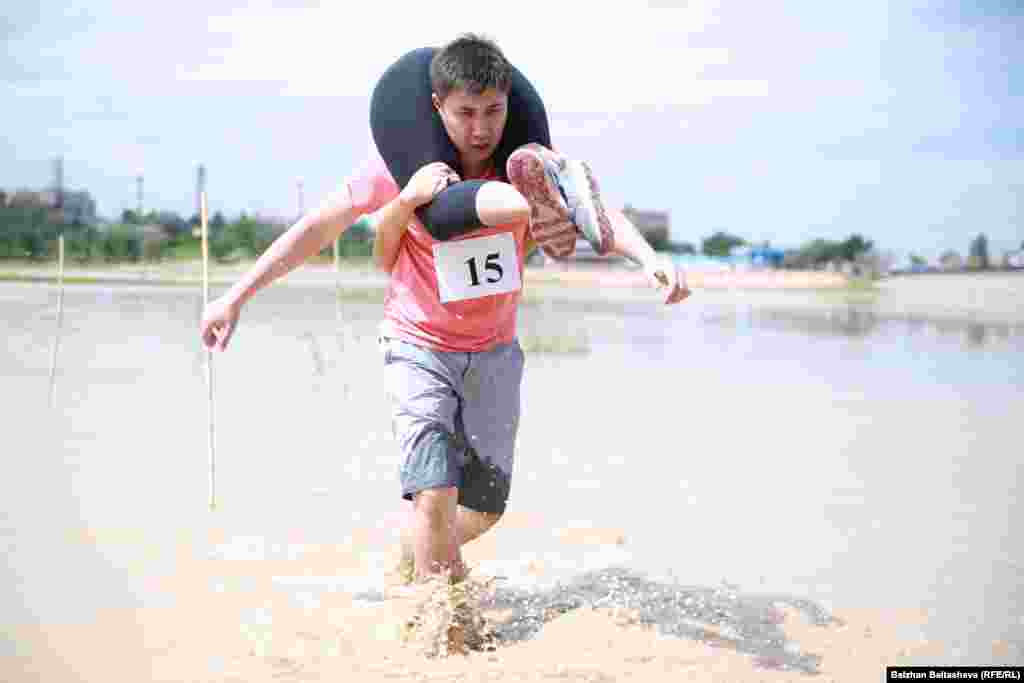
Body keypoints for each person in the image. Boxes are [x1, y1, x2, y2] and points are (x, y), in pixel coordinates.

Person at [199, 34, 690, 590]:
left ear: (509, 104)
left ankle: (413, 562)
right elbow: (316, 227)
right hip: (418, 347)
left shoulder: (526, 165)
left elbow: (593, 210)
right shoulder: (402, 164)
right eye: (466, 113)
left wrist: (648, 257)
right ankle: (444, 626)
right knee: (432, 493)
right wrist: (234, 296)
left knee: (483, 509)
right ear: (437, 107)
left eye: (493, 111)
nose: (481, 129)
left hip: (494, 353)